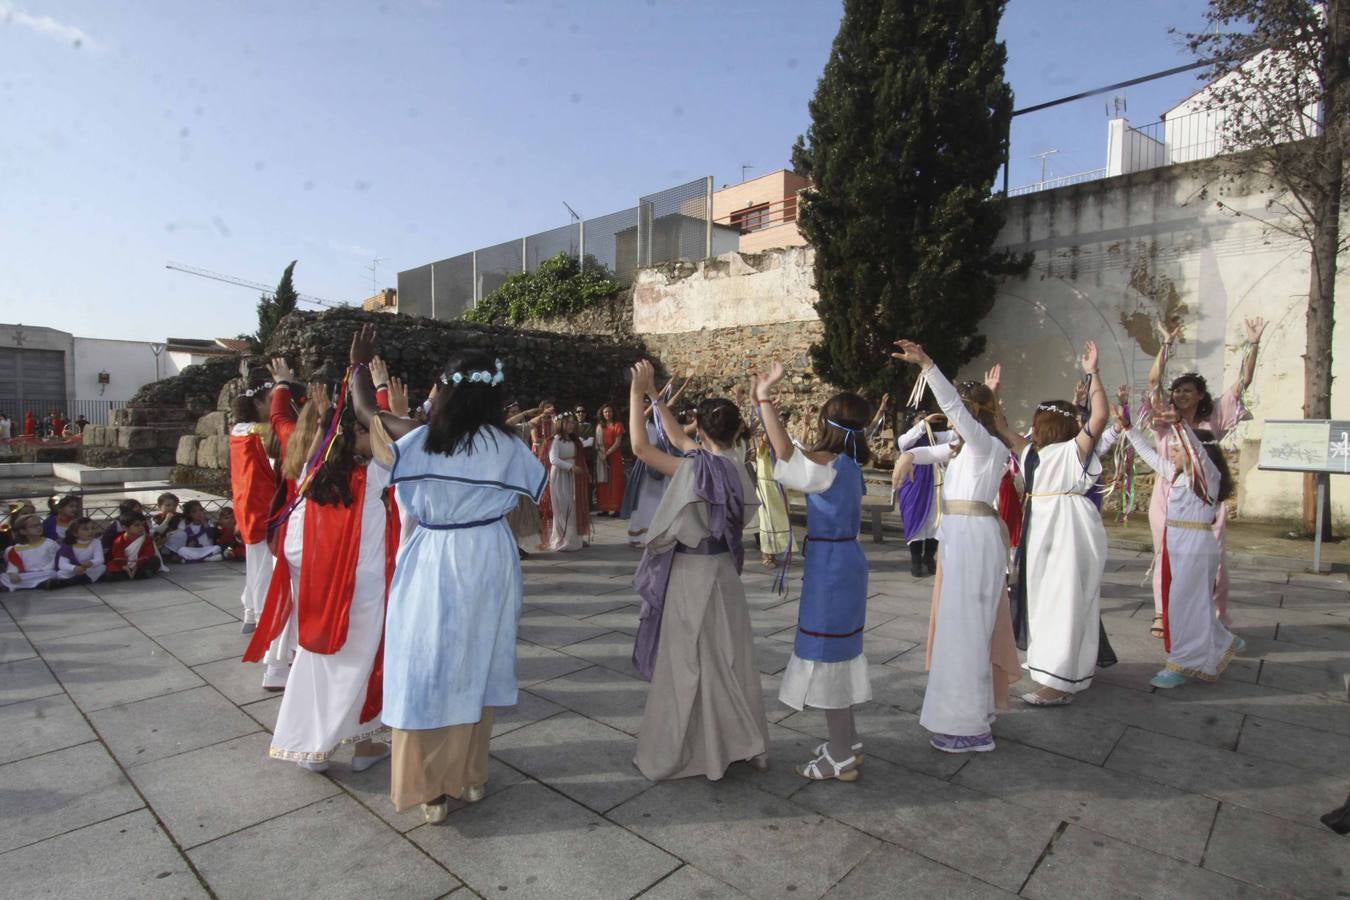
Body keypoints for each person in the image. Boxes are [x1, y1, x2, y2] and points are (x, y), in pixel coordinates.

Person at [348, 324, 546, 825]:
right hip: (490, 558)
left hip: (435, 557)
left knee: (426, 666)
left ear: (448, 390)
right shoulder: (510, 445)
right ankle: (470, 777)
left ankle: (430, 790)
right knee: (478, 660)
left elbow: (366, 414)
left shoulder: (421, 441)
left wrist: (358, 369)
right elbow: (533, 495)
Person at [627, 360, 769, 780]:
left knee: (687, 662)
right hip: (724, 572)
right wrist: (655, 397)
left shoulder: (695, 469)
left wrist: (637, 394)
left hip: (691, 575)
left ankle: (689, 750)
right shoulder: (738, 468)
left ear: (701, 431)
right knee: (729, 658)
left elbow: (641, 448)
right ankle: (736, 741)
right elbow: (675, 437)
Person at [892, 339, 1017, 754]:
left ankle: (971, 729)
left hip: (973, 539)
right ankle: (972, 715)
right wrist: (908, 458)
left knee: (965, 630)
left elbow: (959, 417)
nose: (950, 420)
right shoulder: (968, 447)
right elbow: (931, 449)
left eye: (956, 414)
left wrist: (928, 364)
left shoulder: (985, 445)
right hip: (962, 538)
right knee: (960, 629)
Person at [754, 360, 873, 781]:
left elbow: (785, 452)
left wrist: (764, 397)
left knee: (827, 658)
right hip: (847, 563)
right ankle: (849, 741)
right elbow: (797, 453)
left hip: (831, 569)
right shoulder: (847, 464)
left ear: (828, 422)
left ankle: (840, 755)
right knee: (840, 653)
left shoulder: (826, 465)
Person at [267, 391, 397, 774]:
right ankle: (365, 746)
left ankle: (313, 748)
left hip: (324, 587)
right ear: (356, 433)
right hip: (365, 590)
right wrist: (381, 397)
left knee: (321, 663)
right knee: (364, 666)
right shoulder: (373, 476)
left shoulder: (313, 475)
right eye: (367, 432)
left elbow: (319, 443)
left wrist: (329, 415)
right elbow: (401, 441)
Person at [994, 345, 1110, 706]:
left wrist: (1093, 375)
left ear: (1046, 424)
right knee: (1044, 598)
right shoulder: (1032, 454)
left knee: (1065, 599)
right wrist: (993, 396)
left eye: (1035, 421)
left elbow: (1101, 416)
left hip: (1069, 528)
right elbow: (1001, 429)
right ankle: (1054, 667)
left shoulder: (1073, 449)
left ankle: (1059, 683)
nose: (1030, 427)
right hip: (1042, 526)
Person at [1141, 316, 1264, 634]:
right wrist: (1166, 344)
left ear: (1199, 395)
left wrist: (1253, 344)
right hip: (1168, 496)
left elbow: (1243, 382)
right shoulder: (1163, 420)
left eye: (1187, 390)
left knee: (1214, 560)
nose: (1180, 394)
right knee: (1166, 553)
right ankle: (1162, 613)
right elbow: (1153, 382)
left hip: (1207, 499)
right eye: (1177, 390)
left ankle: (1215, 616)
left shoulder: (1215, 418)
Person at [1126, 421, 1241, 687]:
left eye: (1178, 449)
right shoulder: (1176, 474)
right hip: (1179, 544)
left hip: (1195, 547)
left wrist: (1178, 423)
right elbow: (1150, 455)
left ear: (1193, 451)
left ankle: (1182, 662)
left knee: (1183, 606)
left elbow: (1197, 452)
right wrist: (1129, 429)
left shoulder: (1207, 477)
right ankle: (1221, 640)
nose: (1172, 454)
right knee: (1188, 603)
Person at [245, 377, 332, 690]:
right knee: (308, 601)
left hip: (290, 531)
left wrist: (281, 381)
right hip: (313, 534)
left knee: (288, 599)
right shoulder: (327, 447)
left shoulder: (289, 437)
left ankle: (279, 665)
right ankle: (295, 661)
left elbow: (278, 415)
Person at [230, 379, 278, 633]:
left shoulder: (238, 430)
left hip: (246, 501)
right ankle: (262, 617)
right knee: (264, 565)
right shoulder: (262, 432)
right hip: (263, 503)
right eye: (271, 401)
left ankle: (250, 612)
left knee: (255, 561)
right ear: (257, 403)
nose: (275, 406)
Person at [894, 412, 955, 577]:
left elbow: (956, 434)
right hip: (914, 485)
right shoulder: (907, 438)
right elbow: (903, 443)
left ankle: (929, 557)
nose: (923, 420)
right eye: (919, 418)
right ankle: (915, 561)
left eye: (925, 417)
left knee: (935, 521)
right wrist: (923, 423)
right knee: (915, 519)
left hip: (935, 486)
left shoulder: (935, 438)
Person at [538, 413, 591, 552]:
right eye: (567, 422)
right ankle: (562, 539)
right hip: (560, 476)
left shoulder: (575, 440)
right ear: (560, 424)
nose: (571, 425)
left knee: (574, 507)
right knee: (563, 508)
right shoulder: (555, 440)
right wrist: (571, 467)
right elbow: (553, 459)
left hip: (574, 476)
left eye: (572, 422)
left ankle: (575, 538)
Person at [2, 514, 60, 591]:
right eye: (33, 526)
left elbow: (55, 559)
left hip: (45, 573)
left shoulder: (50, 543)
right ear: (23, 531)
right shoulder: (16, 548)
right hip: (26, 575)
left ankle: (25, 586)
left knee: (52, 574)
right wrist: (13, 574)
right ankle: (40, 584)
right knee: (4, 577)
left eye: (39, 525)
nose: (38, 527)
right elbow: (13, 564)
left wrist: (44, 569)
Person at [106, 515, 162, 580]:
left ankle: (136, 574)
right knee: (111, 566)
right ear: (125, 528)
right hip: (124, 564)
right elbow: (118, 557)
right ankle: (132, 574)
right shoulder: (118, 541)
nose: (141, 528)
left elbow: (148, 553)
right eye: (137, 525)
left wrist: (137, 565)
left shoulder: (147, 539)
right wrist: (125, 567)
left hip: (140, 564)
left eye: (142, 525)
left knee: (155, 560)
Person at [594, 403, 626, 516]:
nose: (608, 414)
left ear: (613, 413)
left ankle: (617, 508)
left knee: (615, 481)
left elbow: (618, 443)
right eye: (605, 412)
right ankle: (604, 508)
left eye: (610, 411)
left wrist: (607, 453)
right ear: (602, 413)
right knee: (603, 483)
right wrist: (602, 454)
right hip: (602, 457)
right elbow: (597, 443)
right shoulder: (600, 426)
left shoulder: (617, 425)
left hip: (614, 456)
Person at [57, 517, 106, 584]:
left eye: (93, 528)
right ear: (75, 533)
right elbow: (62, 564)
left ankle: (74, 581)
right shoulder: (68, 544)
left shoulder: (96, 542)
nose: (90, 531)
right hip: (74, 570)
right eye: (85, 529)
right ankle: (79, 580)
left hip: (87, 569)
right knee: (61, 573)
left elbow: (100, 559)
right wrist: (74, 568)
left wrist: (92, 562)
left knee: (102, 567)